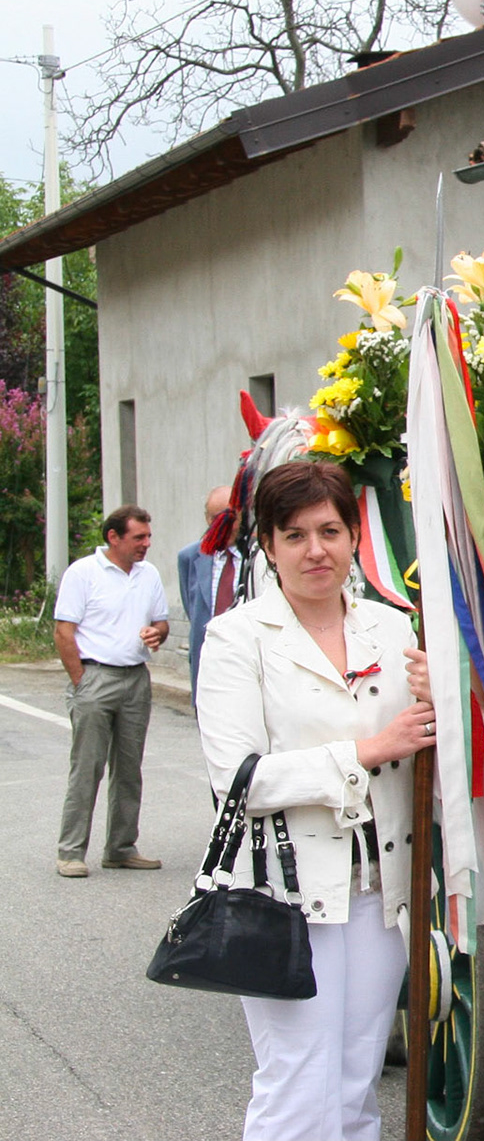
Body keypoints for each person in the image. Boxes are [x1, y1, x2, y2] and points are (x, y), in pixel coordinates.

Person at [195, 460, 436, 1141]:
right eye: (295, 535)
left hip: (380, 890)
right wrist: (368, 750)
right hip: (285, 894)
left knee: (356, 1083)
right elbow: (239, 781)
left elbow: (431, 756)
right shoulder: (237, 638)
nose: (315, 550)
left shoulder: (395, 631)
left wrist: (444, 701)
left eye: (330, 531)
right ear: (268, 547)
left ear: (355, 535)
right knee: (299, 1083)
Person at [52, 504, 171, 877]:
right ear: (114, 537)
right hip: (95, 677)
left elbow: (161, 623)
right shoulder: (83, 573)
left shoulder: (149, 574)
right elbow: (63, 632)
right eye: (139, 537)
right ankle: (71, 852)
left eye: (148, 537)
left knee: (129, 770)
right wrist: (81, 680)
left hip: (136, 678)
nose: (146, 544)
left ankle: (121, 848)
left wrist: (157, 633)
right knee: (87, 768)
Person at [177, 484, 236, 702]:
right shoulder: (190, 557)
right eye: (215, 519)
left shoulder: (259, 555)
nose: (222, 526)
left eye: (229, 518)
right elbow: (193, 609)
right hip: (209, 666)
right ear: (206, 519)